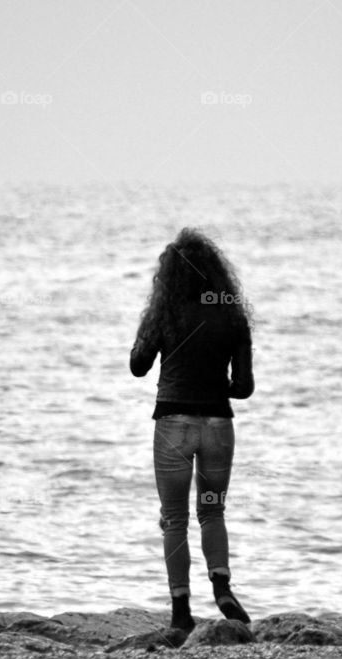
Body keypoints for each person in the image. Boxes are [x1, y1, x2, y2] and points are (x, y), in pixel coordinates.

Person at [130, 228, 255, 632]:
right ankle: (222, 588)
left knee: (174, 518)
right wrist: (218, 383)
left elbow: (138, 365)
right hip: (218, 426)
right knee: (213, 510)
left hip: (173, 425)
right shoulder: (232, 315)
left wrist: (149, 328)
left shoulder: (165, 314)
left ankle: (181, 610)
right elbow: (244, 388)